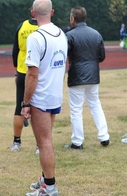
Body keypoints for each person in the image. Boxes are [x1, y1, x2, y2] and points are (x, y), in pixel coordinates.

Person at [21, 0, 67, 196]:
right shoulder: (61, 34)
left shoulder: (36, 37)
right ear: (52, 12)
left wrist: (25, 102)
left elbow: (32, 74)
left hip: (41, 97)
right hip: (55, 94)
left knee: (44, 142)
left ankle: (49, 186)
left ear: (32, 13)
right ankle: (45, 178)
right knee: (46, 140)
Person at [64, 7, 109, 149]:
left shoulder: (69, 36)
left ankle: (77, 141)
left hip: (77, 75)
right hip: (93, 75)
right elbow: (101, 57)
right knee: (95, 104)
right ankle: (104, 136)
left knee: (76, 109)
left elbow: (64, 54)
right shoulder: (96, 34)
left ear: (73, 19)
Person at [10, 8, 38, 152]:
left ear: (31, 12)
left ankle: (16, 142)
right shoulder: (45, 28)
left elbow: (15, 51)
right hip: (39, 73)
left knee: (19, 107)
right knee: (39, 109)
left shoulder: (21, 27)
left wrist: (16, 72)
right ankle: (39, 145)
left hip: (22, 71)